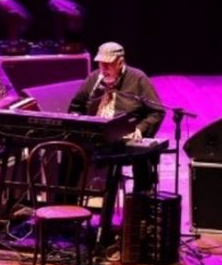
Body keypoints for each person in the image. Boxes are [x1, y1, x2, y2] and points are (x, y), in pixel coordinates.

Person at [68, 41, 166, 192]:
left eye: (108, 64)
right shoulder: (94, 78)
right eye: (101, 64)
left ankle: (140, 201)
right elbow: (76, 106)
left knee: (142, 153)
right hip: (97, 137)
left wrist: (140, 129)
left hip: (124, 138)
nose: (103, 69)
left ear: (120, 62)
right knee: (70, 152)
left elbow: (157, 111)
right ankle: (65, 202)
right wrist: (79, 122)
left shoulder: (138, 78)